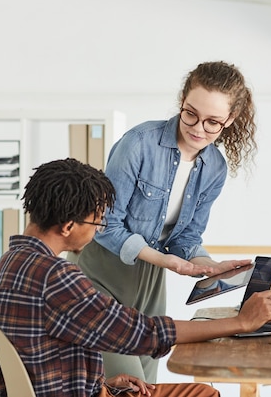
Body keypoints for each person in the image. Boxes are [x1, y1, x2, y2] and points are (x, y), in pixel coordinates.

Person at [0, 158, 271, 397]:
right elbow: (141, 334)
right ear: (68, 226)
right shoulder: (56, 277)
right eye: (95, 222)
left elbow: (15, 377)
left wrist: (100, 386)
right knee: (202, 394)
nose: (99, 230)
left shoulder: (0, 270)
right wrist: (241, 322)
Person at [68, 61, 258, 382]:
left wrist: (209, 266)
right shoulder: (139, 144)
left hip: (150, 285)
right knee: (128, 385)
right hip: (100, 276)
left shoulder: (215, 167)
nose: (198, 128)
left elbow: (186, 239)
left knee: (148, 385)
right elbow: (105, 224)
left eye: (213, 122)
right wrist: (166, 261)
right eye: (191, 114)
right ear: (182, 101)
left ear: (230, 121)